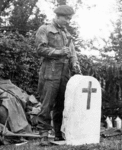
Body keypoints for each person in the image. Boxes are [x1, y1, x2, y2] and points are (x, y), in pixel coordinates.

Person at [35, 5, 82, 146]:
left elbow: (72, 52)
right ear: (58, 16)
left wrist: (75, 63)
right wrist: (59, 52)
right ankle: (43, 135)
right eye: (66, 18)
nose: (68, 21)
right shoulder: (45, 29)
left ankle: (58, 134)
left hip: (64, 73)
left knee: (62, 104)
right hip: (50, 72)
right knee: (47, 104)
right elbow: (40, 49)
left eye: (70, 18)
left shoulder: (66, 32)